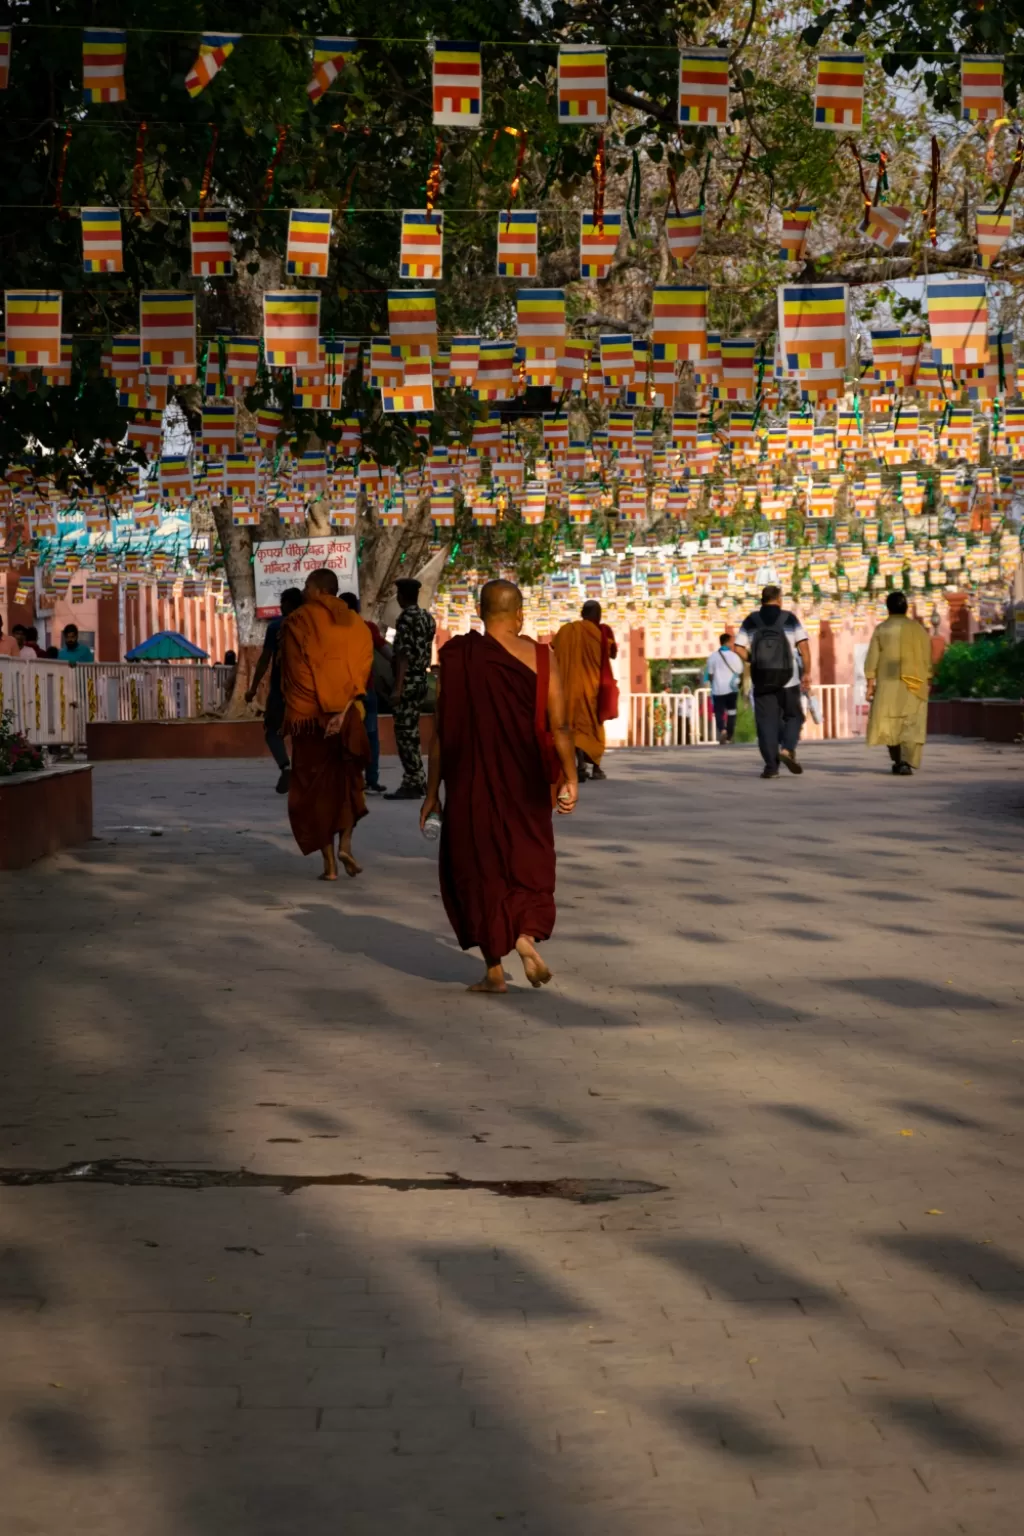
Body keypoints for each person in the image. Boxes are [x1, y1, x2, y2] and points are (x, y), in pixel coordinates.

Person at [421, 579, 578, 993]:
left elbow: (440, 733)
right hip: (526, 783)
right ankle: (524, 935)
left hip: (469, 783)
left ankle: (493, 971)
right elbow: (560, 725)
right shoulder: (543, 657)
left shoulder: (458, 657)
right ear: (520, 614)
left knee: (477, 868)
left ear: (480, 612)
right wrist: (571, 777)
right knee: (524, 858)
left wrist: (430, 792)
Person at [280, 568, 373, 880]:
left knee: (314, 790)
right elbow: (360, 676)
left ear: (320, 590)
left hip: (311, 723)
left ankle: (330, 866)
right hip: (347, 717)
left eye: (307, 585)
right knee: (348, 785)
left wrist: (318, 711)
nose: (304, 590)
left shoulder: (298, 620)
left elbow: (296, 675)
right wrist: (342, 710)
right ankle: (346, 843)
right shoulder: (358, 625)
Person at [733, 585, 811, 779]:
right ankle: (786, 749)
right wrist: (807, 673)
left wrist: (754, 660)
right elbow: (804, 647)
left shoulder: (752, 620)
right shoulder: (789, 618)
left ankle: (771, 768)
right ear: (779, 599)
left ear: (762, 600)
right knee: (794, 716)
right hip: (788, 679)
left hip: (762, 680)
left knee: (766, 723)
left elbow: (738, 648)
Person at [865, 591, 932, 776]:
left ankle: (898, 760)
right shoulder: (918, 629)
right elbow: (927, 656)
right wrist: (927, 678)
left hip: (888, 684)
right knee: (910, 722)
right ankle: (905, 761)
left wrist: (870, 684)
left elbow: (872, 659)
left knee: (890, 722)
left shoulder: (882, 629)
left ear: (888, 608)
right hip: (915, 682)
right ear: (906, 607)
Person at [551, 600, 617, 782]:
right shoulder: (600, 633)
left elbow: (553, 647)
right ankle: (595, 768)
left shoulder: (567, 631)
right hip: (591, 690)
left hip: (568, 689)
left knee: (572, 726)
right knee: (592, 727)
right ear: (599, 616)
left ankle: (579, 765)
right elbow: (613, 653)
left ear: (582, 613)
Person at [245, 586, 303, 794]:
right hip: (306, 690)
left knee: (272, 731)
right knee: (304, 733)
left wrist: (252, 689)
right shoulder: (312, 625)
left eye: (282, 603)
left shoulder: (276, 627)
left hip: (281, 690)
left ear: (288, 604)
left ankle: (285, 767)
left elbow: (264, 660)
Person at [385, 577, 436, 801]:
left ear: (401, 596)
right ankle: (416, 779)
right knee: (412, 730)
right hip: (421, 680)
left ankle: (413, 780)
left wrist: (397, 687)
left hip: (407, 680)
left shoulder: (405, 619)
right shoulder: (428, 617)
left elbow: (404, 654)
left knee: (405, 734)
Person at [340, 592, 389, 794]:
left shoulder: (334, 631)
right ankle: (372, 779)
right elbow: (386, 651)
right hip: (366, 690)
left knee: (344, 737)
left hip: (343, 694)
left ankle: (349, 780)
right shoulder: (368, 628)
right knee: (370, 737)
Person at [704, 633, 744, 744]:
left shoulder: (713, 657)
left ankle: (722, 730)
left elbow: (710, 674)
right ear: (728, 642)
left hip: (718, 690)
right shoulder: (735, 656)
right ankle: (729, 736)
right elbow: (740, 672)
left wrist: (715, 683)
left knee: (719, 713)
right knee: (732, 712)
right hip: (732, 689)